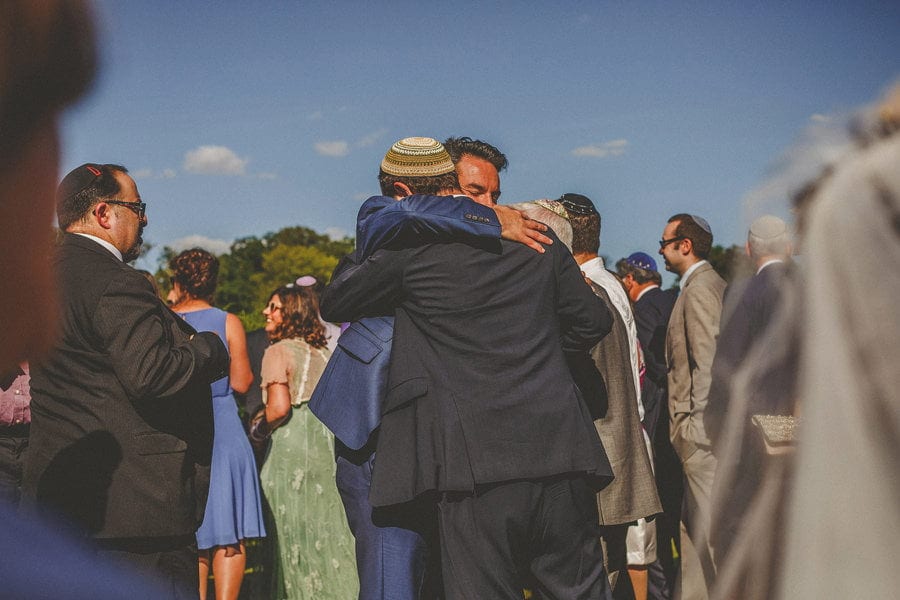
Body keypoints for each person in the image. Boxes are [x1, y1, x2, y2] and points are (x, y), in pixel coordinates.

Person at [320, 175, 616, 599]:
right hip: (561, 452)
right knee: (580, 589)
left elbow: (338, 301)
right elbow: (593, 321)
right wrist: (542, 342)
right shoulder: (538, 241)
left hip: (474, 464)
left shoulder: (414, 252)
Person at [309, 136, 549, 599]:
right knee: (392, 575)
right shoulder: (396, 232)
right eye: (474, 191)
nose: (487, 204)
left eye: (494, 197)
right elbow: (343, 289)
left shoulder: (506, 247)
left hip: (466, 442)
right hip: (383, 430)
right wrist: (484, 218)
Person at [22, 163, 230, 597]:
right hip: (136, 511)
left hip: (62, 502)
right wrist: (208, 347)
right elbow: (152, 373)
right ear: (104, 213)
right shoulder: (117, 282)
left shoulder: (40, 281)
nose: (145, 218)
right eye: (137, 207)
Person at [562, 193, 662, 600]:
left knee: (604, 568)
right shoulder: (612, 286)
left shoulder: (591, 292)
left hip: (606, 442)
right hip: (621, 437)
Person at [168, 248, 266, 600]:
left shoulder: (165, 319)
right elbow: (241, 382)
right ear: (213, 282)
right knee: (229, 531)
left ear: (178, 280)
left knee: (193, 533)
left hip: (182, 426)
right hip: (224, 426)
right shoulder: (228, 321)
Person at [252, 284, 359, 599]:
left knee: (291, 529)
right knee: (328, 526)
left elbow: (279, 408)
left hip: (292, 448)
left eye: (273, 307)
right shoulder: (324, 351)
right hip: (326, 446)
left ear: (291, 313)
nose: (265, 313)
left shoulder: (278, 351)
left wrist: (257, 431)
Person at [657, 214, 725, 600]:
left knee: (713, 538)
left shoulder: (700, 289)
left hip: (699, 436)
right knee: (694, 535)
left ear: (686, 245)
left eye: (664, 242)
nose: (662, 251)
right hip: (696, 435)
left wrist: (694, 430)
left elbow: (708, 362)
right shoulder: (705, 285)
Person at [616, 251, 681, 598]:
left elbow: (649, 369)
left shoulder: (641, 311)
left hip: (654, 421)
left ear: (630, 279)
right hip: (679, 422)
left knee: (653, 522)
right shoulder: (673, 301)